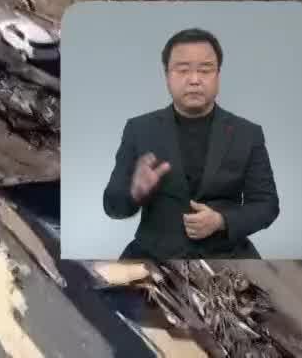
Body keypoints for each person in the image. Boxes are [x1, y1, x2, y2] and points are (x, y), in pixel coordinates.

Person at [102, 28, 278, 260]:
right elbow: (112, 206)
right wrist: (134, 192)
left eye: (205, 70)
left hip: (228, 256)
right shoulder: (139, 129)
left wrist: (222, 221)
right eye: (183, 70)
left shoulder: (248, 134)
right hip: (153, 256)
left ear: (218, 75)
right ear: (167, 75)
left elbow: (267, 205)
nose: (194, 80)